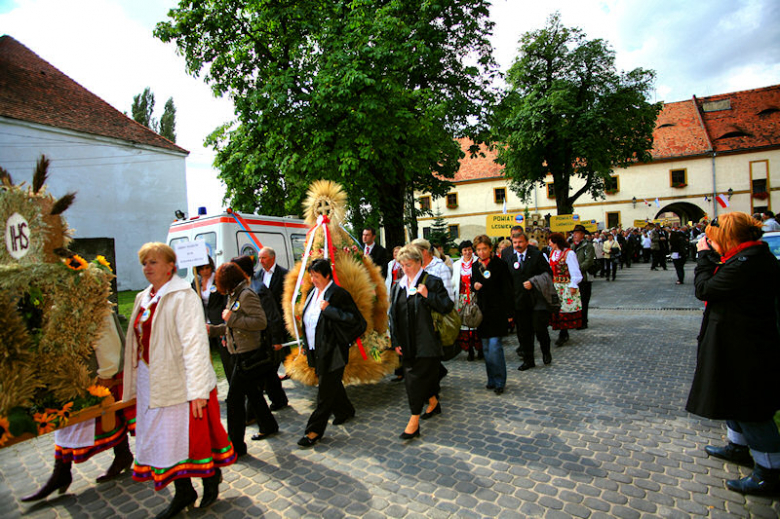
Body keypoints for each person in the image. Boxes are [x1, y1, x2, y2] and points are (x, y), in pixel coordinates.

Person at [124, 243, 235, 518]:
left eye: (153, 262)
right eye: (144, 263)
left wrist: (197, 391)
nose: (147, 268)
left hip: (180, 382)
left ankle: (208, 479)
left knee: (185, 439)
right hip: (152, 382)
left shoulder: (183, 296)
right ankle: (184, 490)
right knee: (165, 441)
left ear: (170, 266)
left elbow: (195, 345)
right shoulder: (142, 298)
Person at [687, 212, 780, 496]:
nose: (711, 245)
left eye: (714, 241)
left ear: (728, 239)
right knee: (733, 397)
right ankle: (737, 446)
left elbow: (704, 289)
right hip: (735, 342)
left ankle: (769, 472)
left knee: (751, 409)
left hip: (747, 348)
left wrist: (702, 257)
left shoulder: (746, 264)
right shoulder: (746, 258)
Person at [21, 311, 135, 502]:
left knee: (106, 418)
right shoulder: (59, 305)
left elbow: (109, 344)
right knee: (68, 423)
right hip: (71, 378)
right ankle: (63, 471)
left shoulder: (98, 307)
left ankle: (66, 471)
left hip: (94, 377)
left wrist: (106, 374)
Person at [208, 262, 278, 448]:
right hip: (239, 352)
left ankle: (236, 445)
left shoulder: (246, 295)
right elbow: (232, 325)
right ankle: (268, 425)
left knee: (234, 400)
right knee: (253, 393)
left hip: (248, 354)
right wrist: (214, 330)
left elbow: (260, 322)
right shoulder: (235, 295)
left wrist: (232, 318)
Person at [298, 259, 366, 447]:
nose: (313, 280)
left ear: (327, 275)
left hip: (333, 351)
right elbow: (309, 321)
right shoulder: (313, 293)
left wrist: (330, 310)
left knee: (324, 393)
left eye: (317, 276)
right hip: (316, 350)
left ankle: (313, 431)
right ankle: (345, 411)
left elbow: (356, 321)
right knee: (330, 384)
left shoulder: (338, 294)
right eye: (311, 276)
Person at [389, 245, 454, 439]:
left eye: (409, 264)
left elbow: (446, 306)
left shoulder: (432, 282)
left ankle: (413, 421)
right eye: (402, 265)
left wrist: (428, 295)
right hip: (407, 343)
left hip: (427, 341)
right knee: (420, 378)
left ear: (419, 262)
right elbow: (393, 316)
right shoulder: (397, 287)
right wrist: (396, 341)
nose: (406, 269)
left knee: (413, 380)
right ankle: (433, 401)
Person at [502, 229, 554, 370]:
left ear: (526, 242)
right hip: (519, 302)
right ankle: (528, 359)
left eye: (520, 242)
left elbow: (548, 274)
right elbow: (507, 282)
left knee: (539, 328)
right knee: (524, 333)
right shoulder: (510, 260)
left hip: (537, 301)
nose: (517, 245)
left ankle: (545, 351)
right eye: (515, 242)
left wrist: (534, 281)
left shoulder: (537, 256)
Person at [245, 250, 289, 410]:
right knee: (271, 365)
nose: (261, 260)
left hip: (277, 321)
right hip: (266, 326)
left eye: (264, 258)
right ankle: (277, 396)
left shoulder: (284, 274)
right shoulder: (257, 276)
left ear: (272, 258)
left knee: (273, 362)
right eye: (260, 258)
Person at [471, 235, 513, 394]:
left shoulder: (500, 264)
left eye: (484, 249)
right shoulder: (476, 266)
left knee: (496, 347)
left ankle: (500, 380)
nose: (481, 252)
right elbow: (472, 284)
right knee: (487, 349)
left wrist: (510, 312)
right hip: (482, 313)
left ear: (490, 248)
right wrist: (474, 286)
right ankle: (491, 379)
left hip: (498, 311)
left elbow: (508, 288)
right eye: (479, 249)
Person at [193, 257, 230, 378]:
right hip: (204, 322)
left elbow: (226, 300)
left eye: (207, 268)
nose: (205, 271)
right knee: (202, 357)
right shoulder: (196, 282)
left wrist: (225, 321)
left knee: (226, 357)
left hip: (219, 321)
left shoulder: (218, 279)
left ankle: (236, 391)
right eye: (202, 269)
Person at [547, 233, 583, 346]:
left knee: (564, 310)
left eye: (550, 241)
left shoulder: (569, 253)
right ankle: (563, 332)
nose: (549, 244)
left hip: (566, 285)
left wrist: (573, 284)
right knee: (557, 310)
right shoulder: (552, 253)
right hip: (555, 286)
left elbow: (575, 271)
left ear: (556, 242)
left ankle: (563, 333)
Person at [451, 240, 481, 361]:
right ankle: (469, 350)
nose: (467, 252)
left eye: (469, 249)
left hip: (475, 296)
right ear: (461, 252)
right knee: (465, 322)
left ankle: (480, 348)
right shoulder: (457, 265)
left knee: (476, 320)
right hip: (462, 297)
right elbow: (453, 282)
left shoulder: (478, 262)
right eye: (465, 250)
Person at [571, 225, 596, 329]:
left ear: (582, 234)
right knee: (576, 300)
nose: (574, 235)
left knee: (584, 300)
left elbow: (589, 261)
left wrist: (577, 269)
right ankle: (577, 320)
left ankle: (583, 321)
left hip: (584, 277)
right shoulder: (572, 246)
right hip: (575, 278)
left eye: (577, 233)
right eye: (574, 233)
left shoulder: (588, 246)